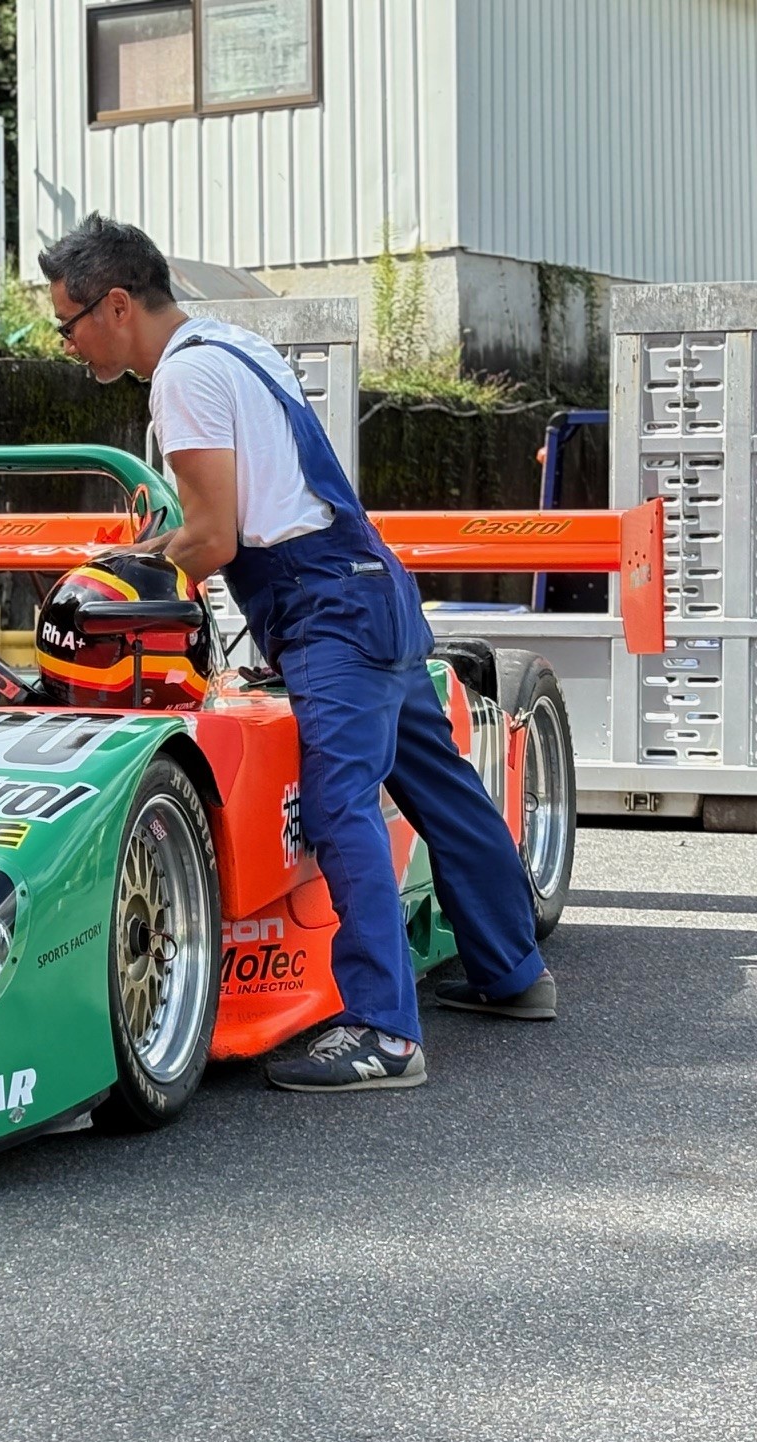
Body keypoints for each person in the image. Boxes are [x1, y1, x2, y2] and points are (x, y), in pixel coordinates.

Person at [37, 213, 555, 1093]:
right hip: (370, 583)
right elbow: (249, 506)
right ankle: (514, 974)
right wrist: (160, 549)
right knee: (440, 787)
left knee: (337, 805)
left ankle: (384, 1032)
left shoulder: (182, 379)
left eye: (68, 323)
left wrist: (113, 579)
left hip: (325, 609)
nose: (67, 342)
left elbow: (213, 538)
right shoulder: (232, 344)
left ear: (116, 305)